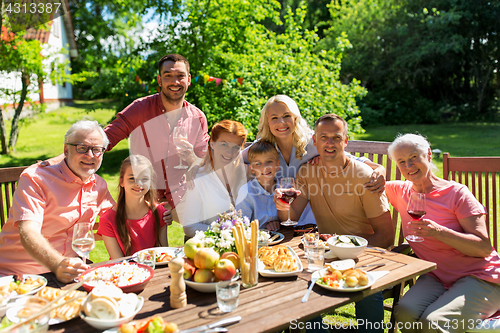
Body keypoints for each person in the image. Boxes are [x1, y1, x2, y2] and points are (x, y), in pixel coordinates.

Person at [274, 113, 394, 333]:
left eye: (336, 138)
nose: (329, 143)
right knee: (297, 294)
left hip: (365, 257)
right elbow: (291, 217)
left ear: (345, 141)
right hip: (325, 256)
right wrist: (283, 207)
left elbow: (386, 236)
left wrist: (347, 251)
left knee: (368, 296)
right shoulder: (308, 171)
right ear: (315, 140)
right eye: (324, 137)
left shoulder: (365, 176)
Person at [385, 133, 500, 333]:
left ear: (428, 155)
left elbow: (483, 247)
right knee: (404, 311)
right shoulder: (400, 191)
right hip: (438, 275)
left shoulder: (457, 194)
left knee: (433, 323)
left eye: (414, 157)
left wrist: (439, 232)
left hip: (481, 278)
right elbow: (368, 177)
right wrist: (377, 171)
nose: (409, 166)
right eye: (402, 162)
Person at [243, 95, 386, 226]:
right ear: (267, 122)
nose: (281, 122)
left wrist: (380, 169)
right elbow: (233, 163)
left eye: (287, 116)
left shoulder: (311, 142)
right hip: (279, 221)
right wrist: (254, 172)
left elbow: (347, 157)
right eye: (274, 118)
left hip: (312, 222)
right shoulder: (262, 147)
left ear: (295, 118)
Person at [0, 120, 115, 283]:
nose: (90, 156)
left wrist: (157, 210)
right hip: (19, 275)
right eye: (82, 148)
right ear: (66, 150)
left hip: (70, 272)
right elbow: (29, 232)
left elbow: (120, 219)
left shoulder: (99, 185)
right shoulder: (36, 179)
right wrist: (57, 264)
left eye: (97, 150)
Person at [104, 53, 209, 213]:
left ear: (188, 79)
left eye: (180, 76)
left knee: (199, 231)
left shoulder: (197, 117)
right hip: (142, 194)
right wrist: (67, 156)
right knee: (144, 237)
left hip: (179, 194)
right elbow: (105, 139)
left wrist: (191, 158)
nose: (175, 82)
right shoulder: (139, 109)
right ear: (159, 80)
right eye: (168, 76)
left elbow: (203, 162)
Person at [181, 120, 248, 238]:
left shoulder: (247, 175)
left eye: (235, 147)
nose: (229, 152)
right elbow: (189, 227)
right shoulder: (198, 178)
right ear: (212, 144)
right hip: (206, 249)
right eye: (224, 144)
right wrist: (225, 230)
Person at [97, 155, 170, 259]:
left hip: (155, 270)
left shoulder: (159, 212)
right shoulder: (107, 220)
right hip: (125, 272)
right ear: (121, 181)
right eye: (132, 178)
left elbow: (164, 254)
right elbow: (118, 260)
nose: (138, 184)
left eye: (144, 179)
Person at [235, 140, 281, 231]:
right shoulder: (246, 191)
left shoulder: (283, 188)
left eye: (269, 161)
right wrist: (263, 228)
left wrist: (277, 223)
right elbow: (241, 226)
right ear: (251, 168)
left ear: (277, 165)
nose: (265, 167)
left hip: (283, 238)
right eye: (258, 164)